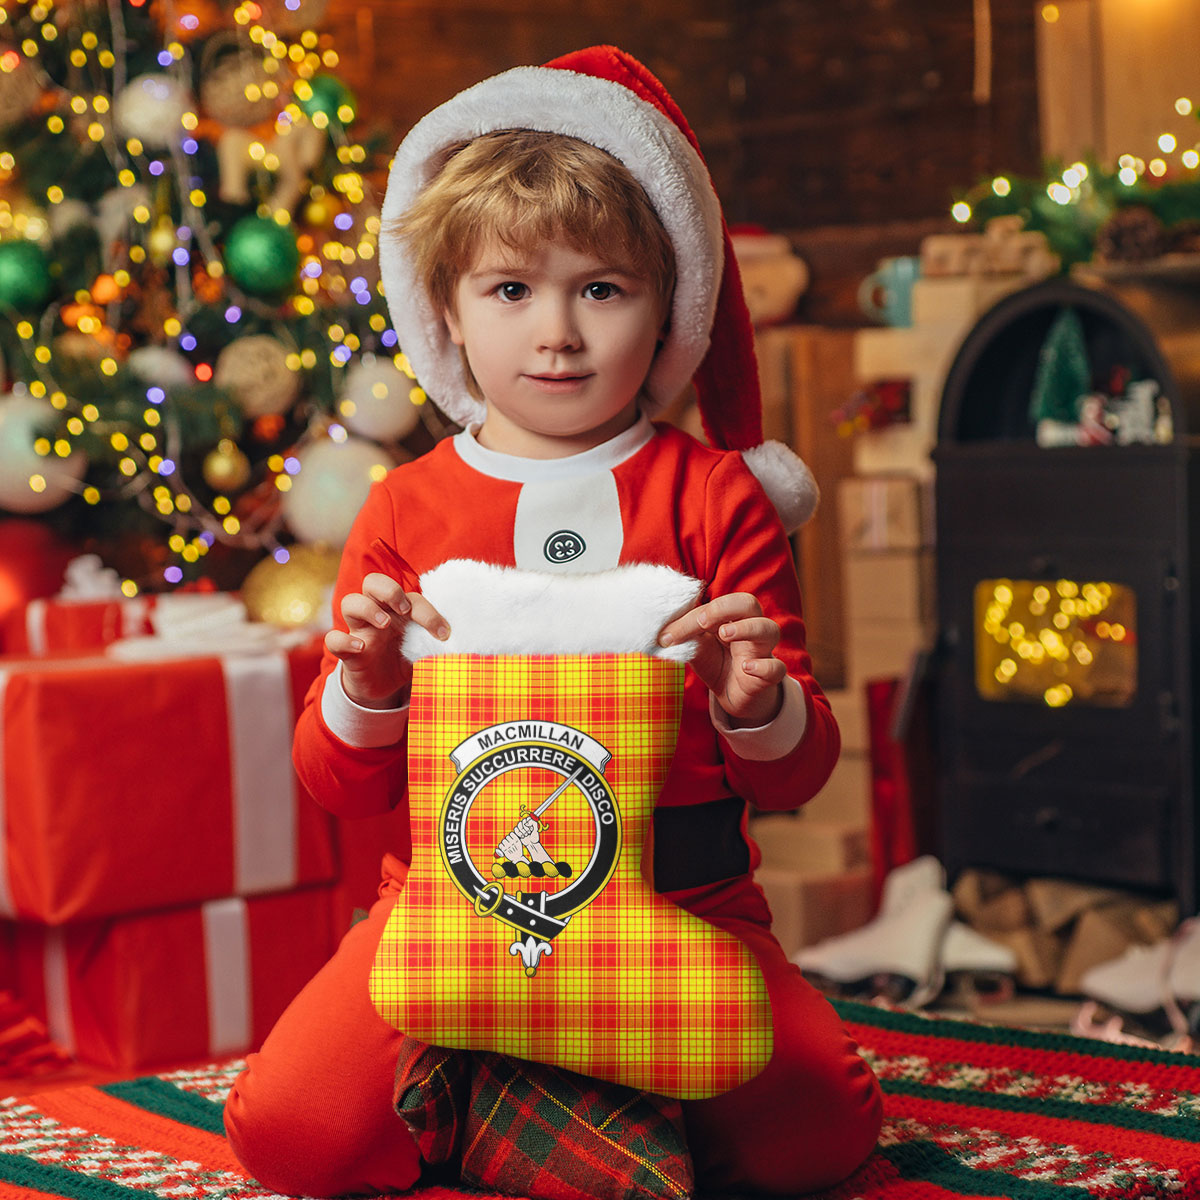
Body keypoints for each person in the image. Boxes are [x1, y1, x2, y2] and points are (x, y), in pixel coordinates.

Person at [224, 45, 882, 1197]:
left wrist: (759, 705)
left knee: (819, 1137)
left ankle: (528, 1090)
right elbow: (339, 785)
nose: (558, 334)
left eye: (602, 288)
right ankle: (539, 1088)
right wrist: (369, 685)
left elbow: (796, 780)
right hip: (450, 907)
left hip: (687, 904)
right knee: (292, 1135)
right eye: (512, 289)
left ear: (665, 303)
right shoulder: (407, 504)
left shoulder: (716, 496)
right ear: (446, 310)